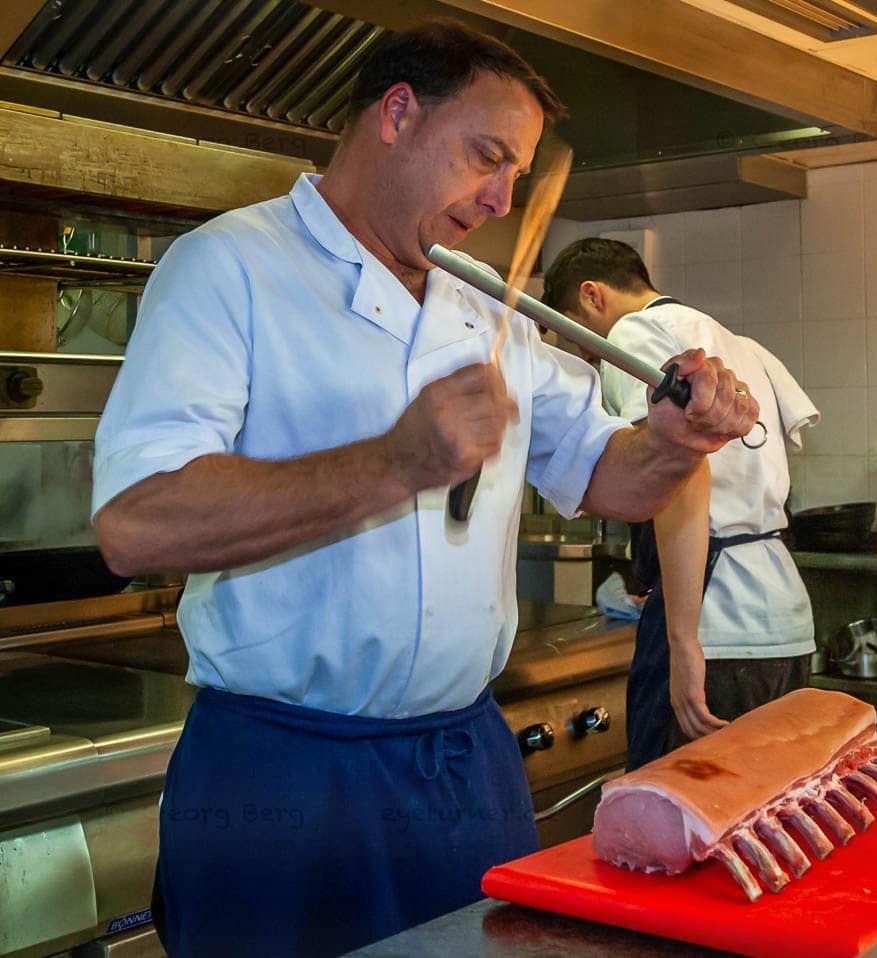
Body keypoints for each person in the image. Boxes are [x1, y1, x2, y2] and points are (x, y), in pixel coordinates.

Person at [91, 22, 758, 958]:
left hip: (463, 770)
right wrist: (394, 462)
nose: (499, 198)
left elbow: (608, 473)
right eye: (488, 157)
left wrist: (674, 443)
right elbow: (136, 522)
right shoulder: (229, 269)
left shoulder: (484, 298)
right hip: (283, 776)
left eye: (518, 175)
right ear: (398, 114)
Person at [541, 237, 818, 770]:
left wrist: (682, 637)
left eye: (578, 334)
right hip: (780, 618)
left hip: (718, 626)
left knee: (679, 830)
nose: (587, 355)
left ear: (593, 296)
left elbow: (684, 472)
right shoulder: (735, 343)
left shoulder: (634, 333)